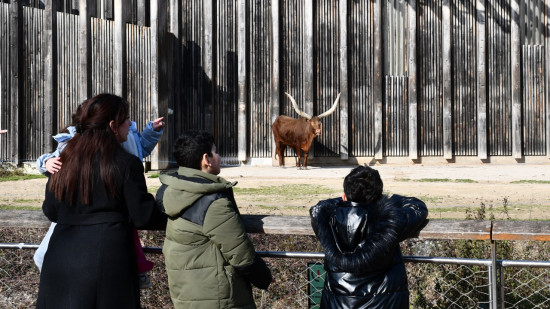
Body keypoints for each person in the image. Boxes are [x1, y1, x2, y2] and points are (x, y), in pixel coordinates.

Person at [37, 93, 166, 309]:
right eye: (126, 120)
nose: (129, 124)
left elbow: (51, 210)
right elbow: (143, 216)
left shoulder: (63, 159)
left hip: (61, 258)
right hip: (108, 259)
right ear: (113, 125)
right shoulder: (126, 163)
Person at [156, 130, 272, 308]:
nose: (219, 156)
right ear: (206, 159)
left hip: (186, 292)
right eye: (215, 151)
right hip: (219, 296)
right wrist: (265, 278)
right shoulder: (213, 203)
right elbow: (240, 255)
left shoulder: (171, 192)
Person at [310, 165, 429, 309]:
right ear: (378, 197)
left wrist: (346, 200)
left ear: (344, 195)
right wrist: (389, 200)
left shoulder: (326, 218)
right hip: (384, 304)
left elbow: (318, 207)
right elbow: (417, 207)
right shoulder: (388, 221)